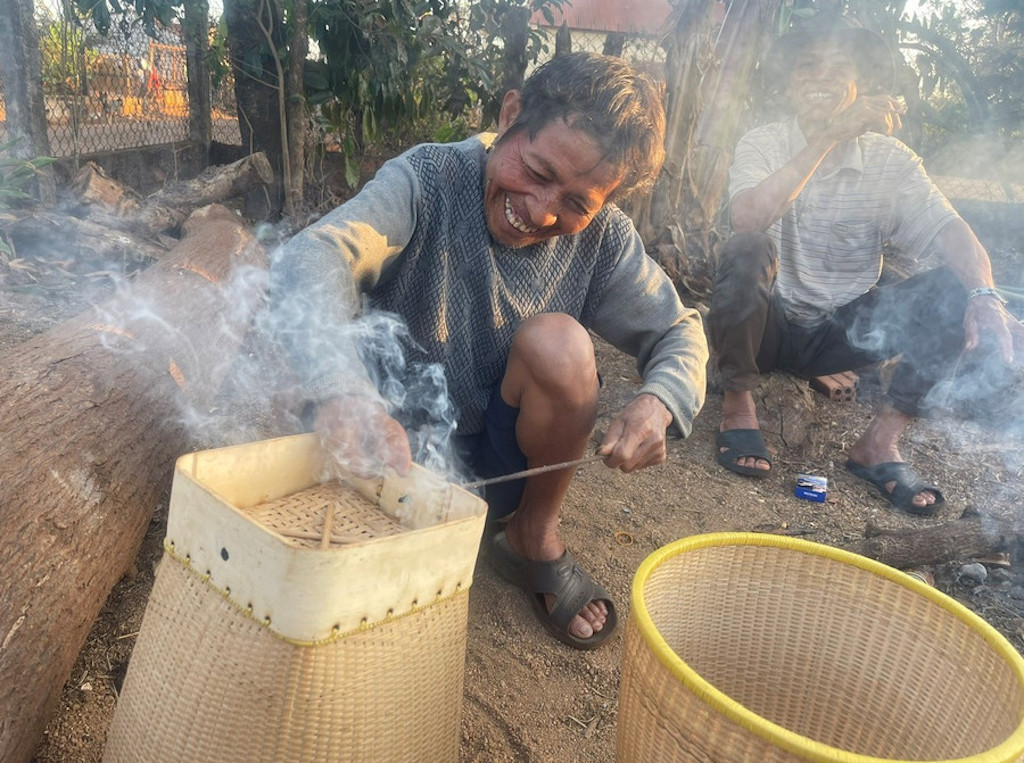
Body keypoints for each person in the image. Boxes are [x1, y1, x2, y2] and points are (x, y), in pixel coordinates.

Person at [271, 52, 708, 649]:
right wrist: (343, 393)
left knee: (561, 346)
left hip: (496, 475)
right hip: (379, 456)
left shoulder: (604, 242)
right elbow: (314, 256)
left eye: (578, 202)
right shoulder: (426, 180)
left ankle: (530, 533)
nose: (541, 209)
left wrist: (660, 401)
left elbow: (679, 330)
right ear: (510, 115)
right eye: (537, 170)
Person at [707, 14, 1023, 515]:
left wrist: (985, 295)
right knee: (747, 249)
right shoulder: (763, 143)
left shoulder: (891, 161)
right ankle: (737, 406)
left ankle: (879, 442)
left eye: (837, 70)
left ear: (858, 87)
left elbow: (952, 229)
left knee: (956, 289)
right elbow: (749, 218)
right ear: (790, 84)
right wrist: (827, 137)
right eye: (807, 68)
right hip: (767, 325)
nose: (820, 79)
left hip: (842, 334)